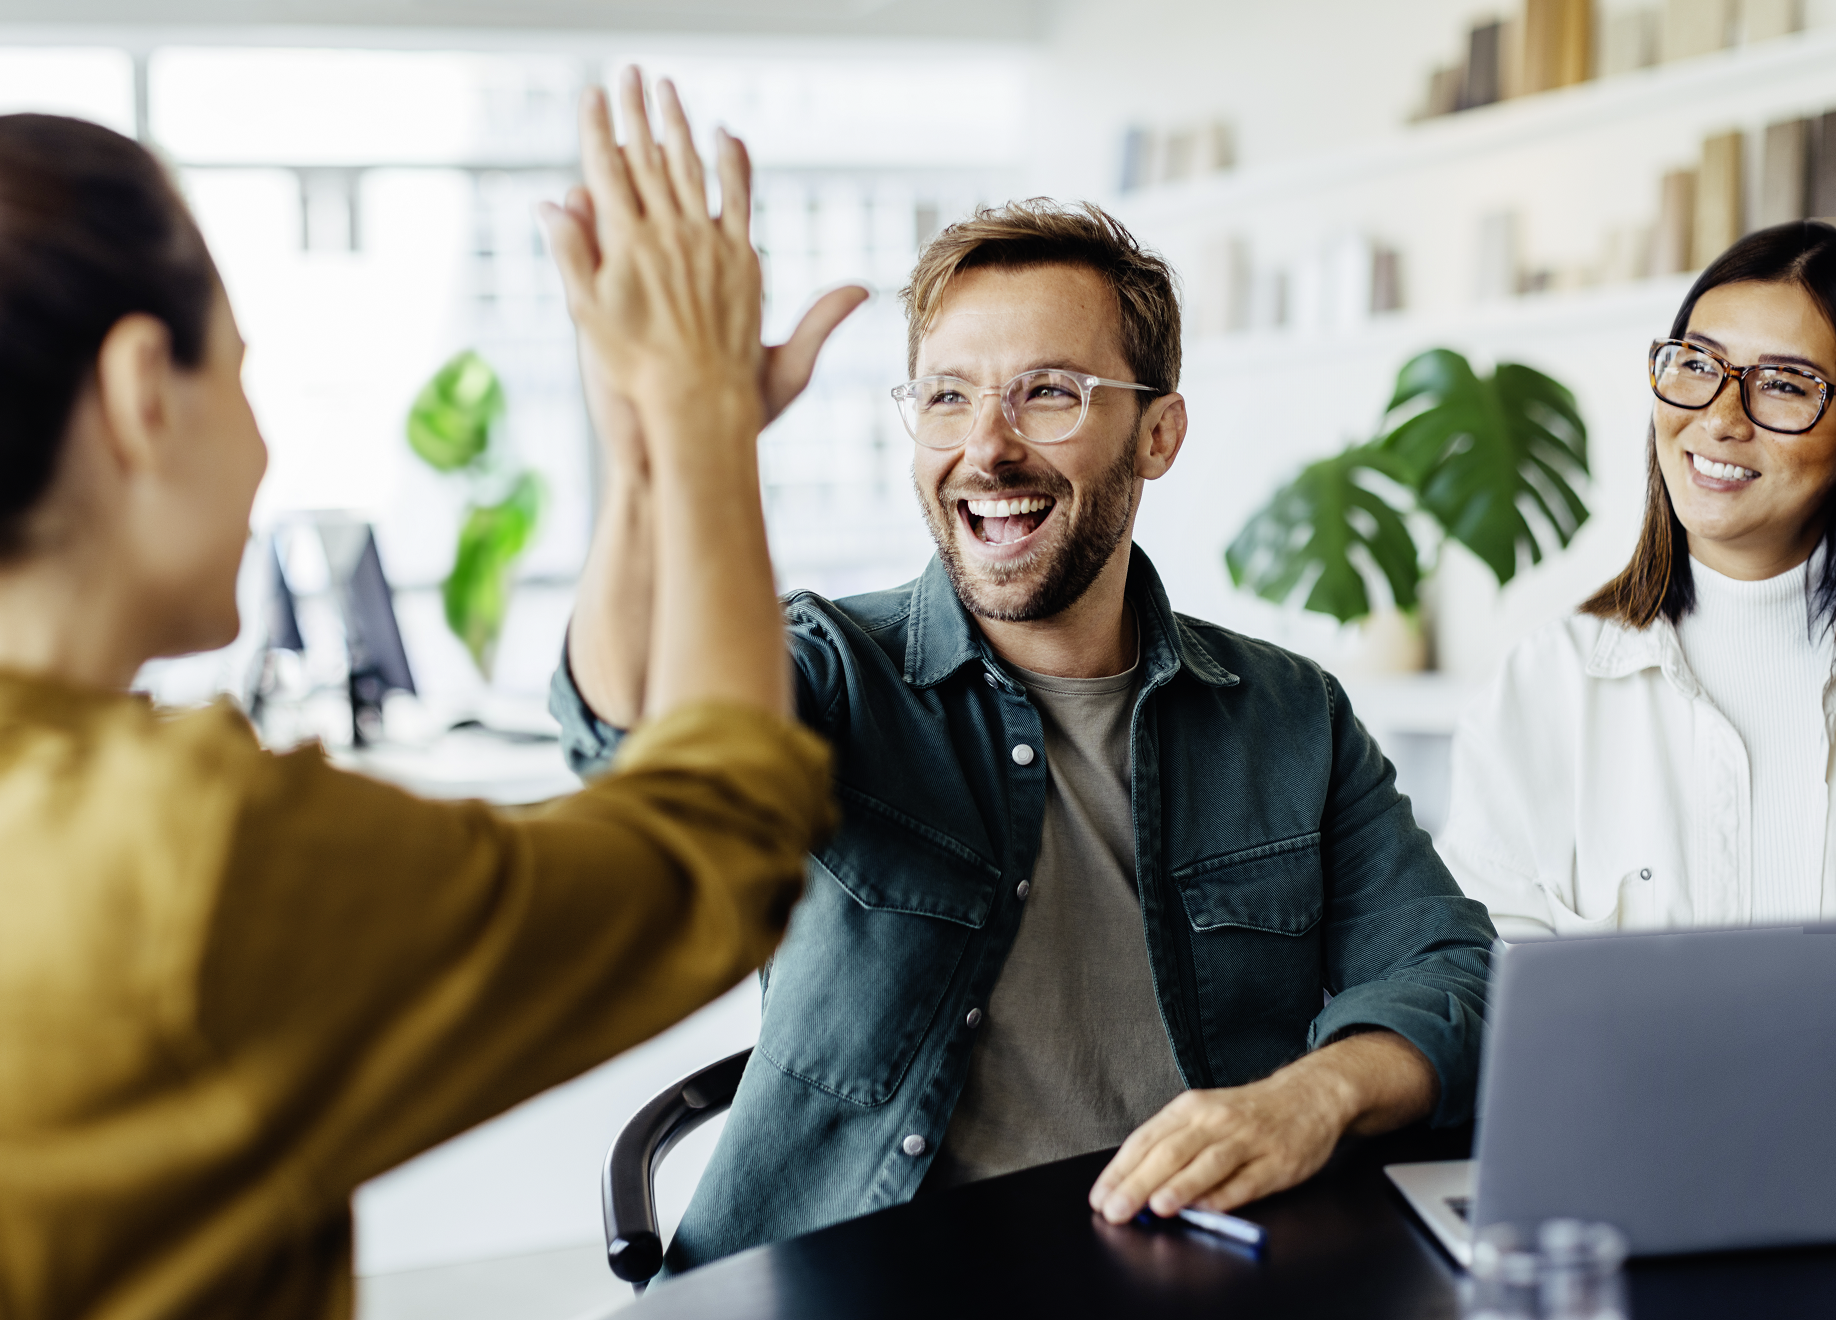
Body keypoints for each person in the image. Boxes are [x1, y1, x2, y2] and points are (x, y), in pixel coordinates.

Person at [0, 62, 837, 1318]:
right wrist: (700, 415)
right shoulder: (184, 852)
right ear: (143, 393)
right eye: (239, 375)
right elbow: (713, 847)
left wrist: (649, 457)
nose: (263, 449)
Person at [551, 194, 1497, 1272]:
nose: (986, 449)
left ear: (1157, 435)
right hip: (848, 1278)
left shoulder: (1289, 716)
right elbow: (630, 732)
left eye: (1048, 393)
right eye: (947, 397)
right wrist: (657, 455)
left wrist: (1312, 1096)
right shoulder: (832, 672)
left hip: (1180, 1272)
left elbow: (1453, 972)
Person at [1440, 220, 1836, 936]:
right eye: (1698, 364)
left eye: (1784, 383)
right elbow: (1484, 975)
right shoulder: (1546, 685)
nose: (1720, 419)